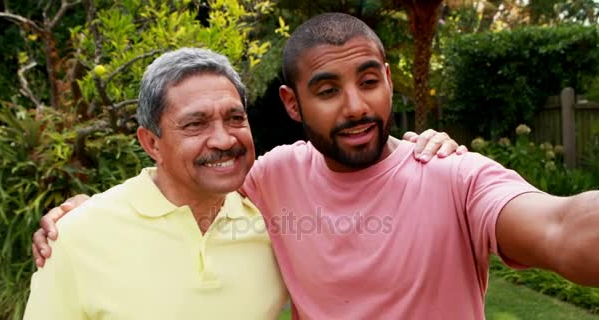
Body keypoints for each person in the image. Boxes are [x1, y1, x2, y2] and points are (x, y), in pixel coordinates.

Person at [36, 13, 597, 320]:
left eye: (369, 82)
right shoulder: (271, 178)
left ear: (389, 82)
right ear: (292, 105)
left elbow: (562, 228)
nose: (356, 106)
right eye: (328, 89)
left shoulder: (454, 174)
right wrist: (86, 218)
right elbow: (181, 184)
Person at [23, 48, 290, 319]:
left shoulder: (276, 226)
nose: (224, 140)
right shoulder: (77, 235)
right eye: (196, 124)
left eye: (235, 119)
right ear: (151, 143)